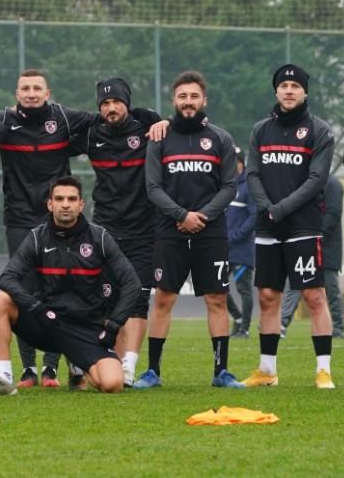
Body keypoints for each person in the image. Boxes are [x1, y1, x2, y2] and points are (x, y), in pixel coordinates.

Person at [0, 69, 158, 388]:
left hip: (62, 221)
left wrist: (150, 116)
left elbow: (109, 115)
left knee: (73, 290)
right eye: (26, 88)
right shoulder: (5, 121)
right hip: (21, 219)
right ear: (17, 94)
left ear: (48, 93)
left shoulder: (65, 118)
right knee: (22, 289)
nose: (32, 93)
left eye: (38, 88)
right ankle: (23, 371)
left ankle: (59, 369)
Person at [0, 176, 141, 396]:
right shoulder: (37, 237)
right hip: (46, 323)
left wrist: (113, 326)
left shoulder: (99, 237)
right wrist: (37, 308)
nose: (65, 204)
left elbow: (132, 284)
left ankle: (78, 366)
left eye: (71, 199)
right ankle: (4, 379)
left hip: (86, 330)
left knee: (112, 384)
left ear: (81, 204)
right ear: (50, 204)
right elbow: (8, 278)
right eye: (59, 198)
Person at [134, 70, 244, 389]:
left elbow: (229, 187)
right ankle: (152, 371)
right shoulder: (159, 138)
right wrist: (182, 215)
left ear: (203, 100)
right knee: (164, 299)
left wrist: (201, 216)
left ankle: (221, 371)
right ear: (174, 101)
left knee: (217, 299)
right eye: (182, 96)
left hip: (211, 232)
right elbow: (153, 187)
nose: (188, 102)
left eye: (194, 96)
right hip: (170, 231)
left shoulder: (221, 138)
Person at [242, 64, 336, 389]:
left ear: (305, 92)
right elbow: (252, 174)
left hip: (303, 225)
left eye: (296, 85)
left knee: (314, 296)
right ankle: (267, 371)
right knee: (268, 296)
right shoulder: (260, 130)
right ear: (276, 91)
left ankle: (323, 371)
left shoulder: (320, 131)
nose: (289, 90)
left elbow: (316, 180)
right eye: (284, 85)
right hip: (268, 225)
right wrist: (268, 209)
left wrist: (279, 209)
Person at [70, 77, 162, 387]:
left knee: (137, 299)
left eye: (116, 102)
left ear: (127, 103)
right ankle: (112, 363)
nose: (111, 108)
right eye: (105, 104)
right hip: (105, 228)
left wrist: (162, 122)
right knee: (108, 301)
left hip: (143, 228)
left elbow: (176, 125)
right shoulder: (92, 134)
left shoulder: (148, 128)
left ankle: (129, 367)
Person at [280, 173, 344, 340]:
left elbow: (333, 215)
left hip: (327, 248)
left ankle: (338, 329)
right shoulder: (304, 183)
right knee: (296, 285)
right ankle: (281, 324)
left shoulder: (332, 184)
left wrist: (317, 238)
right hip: (305, 245)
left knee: (331, 289)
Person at [225, 147, 256, 340]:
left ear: (241, 164)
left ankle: (244, 328)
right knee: (216, 288)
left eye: (233, 162)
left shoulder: (248, 187)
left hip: (242, 248)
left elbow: (254, 218)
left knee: (244, 289)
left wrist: (235, 236)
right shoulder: (224, 187)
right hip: (223, 248)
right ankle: (237, 318)